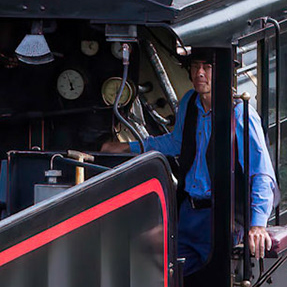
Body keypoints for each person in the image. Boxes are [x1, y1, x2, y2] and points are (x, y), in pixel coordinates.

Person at [104, 50, 274, 274]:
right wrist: (127, 147)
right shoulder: (189, 102)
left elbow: (261, 173)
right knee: (146, 260)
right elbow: (175, 143)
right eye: (195, 66)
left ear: (223, 71)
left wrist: (258, 224)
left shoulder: (242, 115)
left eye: (207, 67)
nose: (199, 73)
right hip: (189, 213)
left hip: (222, 218)